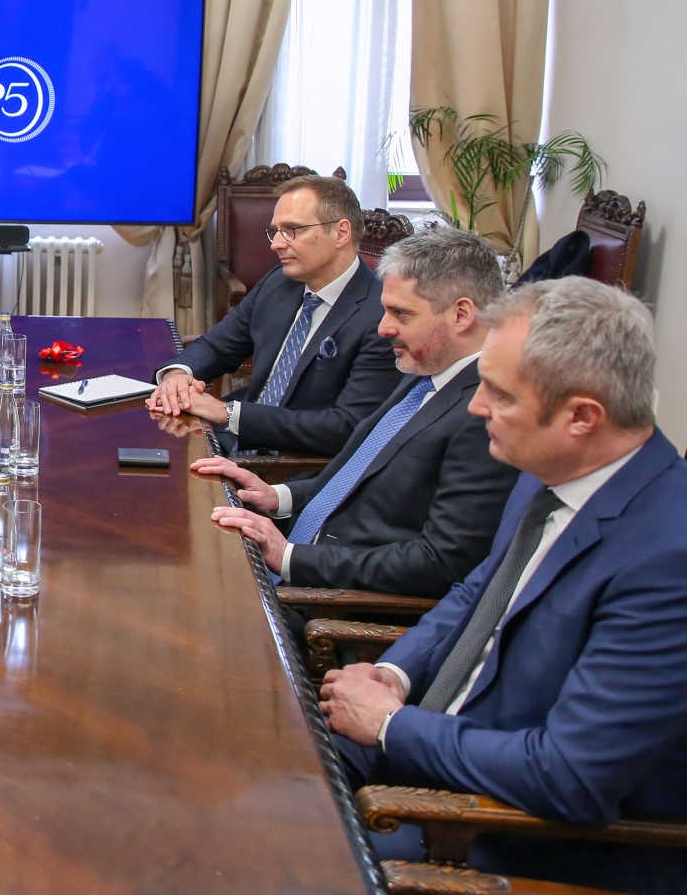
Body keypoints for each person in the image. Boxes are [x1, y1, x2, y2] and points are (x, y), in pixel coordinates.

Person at [321, 277, 687, 893]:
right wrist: (395, 673)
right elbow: (480, 590)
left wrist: (391, 726)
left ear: (581, 417)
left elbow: (570, 776)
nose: (475, 406)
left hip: (501, 837)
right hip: (429, 741)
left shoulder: (667, 560)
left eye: (499, 392)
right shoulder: (551, 469)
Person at [191, 227, 517, 596]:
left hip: (326, 599)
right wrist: (277, 496)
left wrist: (290, 557)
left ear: (461, 314)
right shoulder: (426, 371)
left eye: (401, 314)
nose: (383, 328)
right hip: (298, 554)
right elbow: (358, 478)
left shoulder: (486, 415)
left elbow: (440, 562)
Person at [148, 175, 401, 456]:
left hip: (293, 463)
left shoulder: (383, 316)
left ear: (341, 233)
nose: (276, 244)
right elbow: (217, 346)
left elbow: (347, 427)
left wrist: (227, 412)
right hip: (229, 439)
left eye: (292, 229)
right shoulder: (278, 283)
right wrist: (177, 376)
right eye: (275, 231)